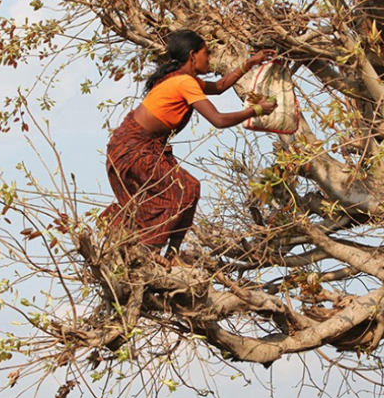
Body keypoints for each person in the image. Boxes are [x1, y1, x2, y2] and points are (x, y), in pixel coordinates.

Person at [103, 30, 277, 263]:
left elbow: (218, 87)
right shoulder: (183, 82)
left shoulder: (183, 79)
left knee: (185, 190)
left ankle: (168, 254)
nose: (209, 59)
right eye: (207, 53)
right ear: (193, 55)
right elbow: (219, 120)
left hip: (134, 147)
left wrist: (250, 64)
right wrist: (255, 110)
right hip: (134, 149)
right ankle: (151, 253)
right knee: (183, 190)